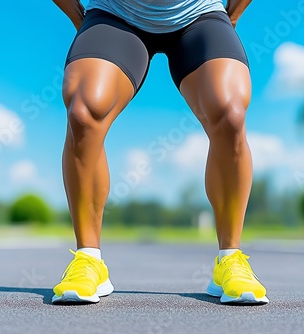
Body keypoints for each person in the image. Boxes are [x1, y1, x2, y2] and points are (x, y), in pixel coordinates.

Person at [51, 0, 268, 305]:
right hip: (116, 15)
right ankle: (89, 260)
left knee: (229, 113)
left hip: (198, 14)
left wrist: (230, 16)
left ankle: (230, 260)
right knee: (84, 112)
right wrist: (80, 17)